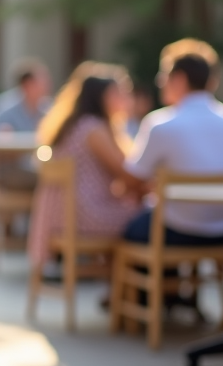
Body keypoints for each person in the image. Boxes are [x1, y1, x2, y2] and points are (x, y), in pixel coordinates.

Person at [123, 39, 223, 245]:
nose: (159, 82)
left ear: (180, 79)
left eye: (163, 75)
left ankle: (164, 276)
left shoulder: (161, 123)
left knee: (127, 230)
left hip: (176, 229)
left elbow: (131, 179)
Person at [28, 63, 141, 269]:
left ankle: (121, 291)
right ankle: (132, 292)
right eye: (118, 93)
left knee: (140, 213)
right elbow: (127, 174)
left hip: (62, 216)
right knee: (147, 219)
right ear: (101, 97)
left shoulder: (76, 123)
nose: (126, 98)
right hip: (84, 216)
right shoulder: (93, 129)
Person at [0, 58, 51, 132]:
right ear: (27, 84)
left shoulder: (48, 108)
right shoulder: (3, 108)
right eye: (42, 81)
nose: (47, 85)